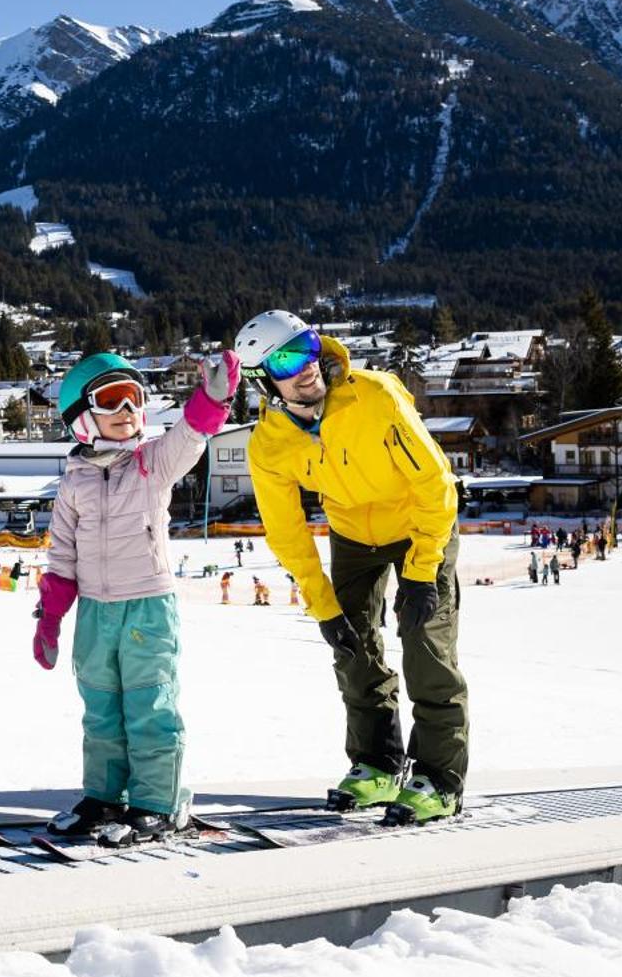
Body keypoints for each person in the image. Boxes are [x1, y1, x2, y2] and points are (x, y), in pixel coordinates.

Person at [237, 309, 467, 825]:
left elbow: (435, 485)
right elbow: (286, 532)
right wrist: (324, 608)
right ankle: (377, 766)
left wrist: (423, 571)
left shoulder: (376, 396)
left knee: (426, 645)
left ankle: (439, 778)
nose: (306, 367)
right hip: (354, 535)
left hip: (418, 523)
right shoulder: (269, 445)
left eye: (308, 347)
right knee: (351, 647)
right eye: (286, 360)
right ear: (262, 381)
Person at [32, 347, 240, 846]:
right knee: (100, 708)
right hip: (95, 614)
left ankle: (157, 804)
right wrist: (50, 619)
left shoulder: (151, 465)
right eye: (113, 399)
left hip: (147, 606)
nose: (129, 411)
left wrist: (214, 397)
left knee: (150, 706)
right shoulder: (73, 483)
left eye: (135, 399)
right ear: (82, 418)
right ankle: (104, 797)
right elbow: (61, 557)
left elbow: (190, 437)